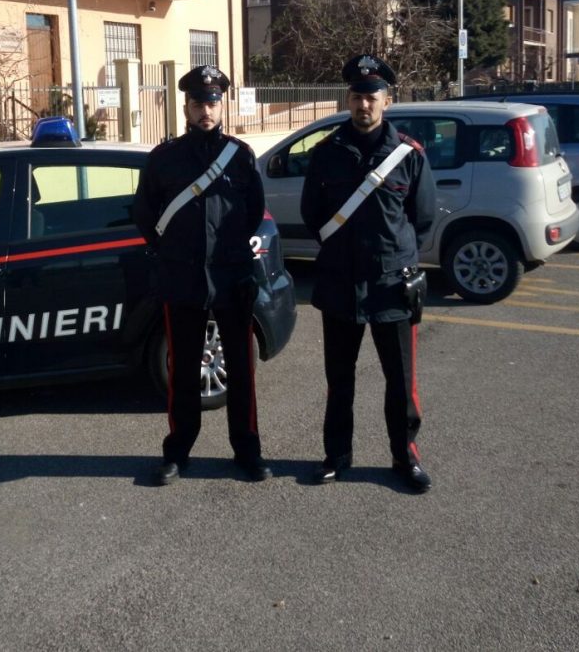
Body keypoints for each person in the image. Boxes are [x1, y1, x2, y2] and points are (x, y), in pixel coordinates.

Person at [300, 54, 437, 492]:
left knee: (401, 382)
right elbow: (312, 214)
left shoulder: (409, 156)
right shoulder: (326, 154)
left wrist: (391, 255)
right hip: (340, 284)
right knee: (339, 380)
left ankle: (405, 457)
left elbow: (423, 218)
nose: (364, 105)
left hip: (391, 286)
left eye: (372, 97)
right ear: (349, 99)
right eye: (357, 97)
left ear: (387, 101)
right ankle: (336, 456)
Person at [134, 65, 271, 486]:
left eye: (213, 102)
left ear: (222, 104)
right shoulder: (164, 159)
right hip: (184, 281)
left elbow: (253, 213)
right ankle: (177, 451)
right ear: (186, 107)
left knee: (242, 374)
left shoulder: (242, 156)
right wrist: (171, 254)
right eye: (198, 103)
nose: (206, 110)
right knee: (183, 372)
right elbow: (144, 214)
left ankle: (247, 451)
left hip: (232, 280)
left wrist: (232, 255)